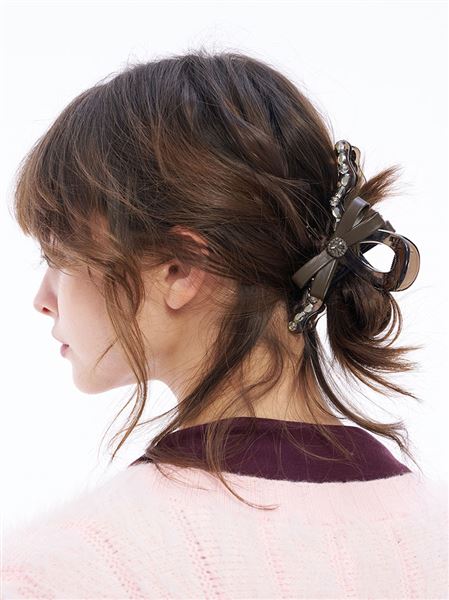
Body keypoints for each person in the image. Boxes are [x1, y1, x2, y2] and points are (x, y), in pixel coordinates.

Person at [3, 49, 447, 599]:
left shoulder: (61, 573)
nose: (42, 300)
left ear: (179, 268)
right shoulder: (436, 537)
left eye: (59, 254)